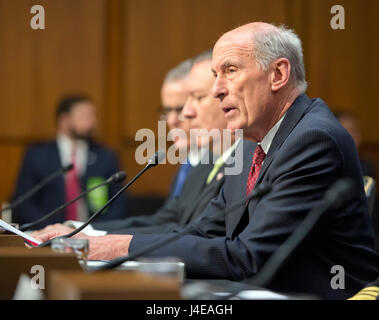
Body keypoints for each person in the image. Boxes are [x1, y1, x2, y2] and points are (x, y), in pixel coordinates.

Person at [37, 23, 379, 299]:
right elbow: (201, 229)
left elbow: (248, 257)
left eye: (229, 71)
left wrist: (117, 245)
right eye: (215, 75)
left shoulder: (313, 140)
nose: (217, 89)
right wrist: (99, 243)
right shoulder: (251, 143)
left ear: (278, 75)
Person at [11, 95, 128, 228]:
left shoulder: (105, 156)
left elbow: (119, 204)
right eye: (85, 116)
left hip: (94, 235)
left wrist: (94, 231)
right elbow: (24, 202)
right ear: (64, 120)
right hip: (47, 233)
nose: (93, 122)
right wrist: (52, 230)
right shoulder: (37, 155)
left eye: (93, 116)